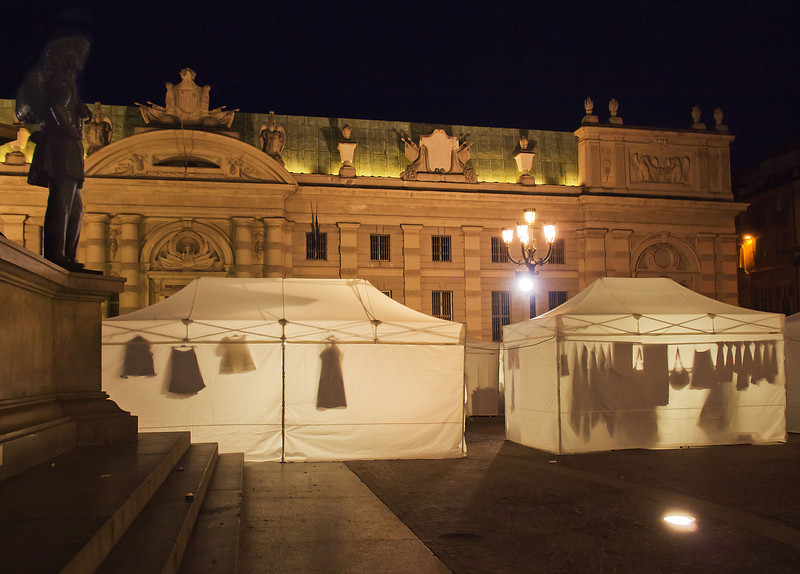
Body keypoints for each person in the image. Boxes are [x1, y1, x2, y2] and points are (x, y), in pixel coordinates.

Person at [18, 34, 93, 272]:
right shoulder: (58, 80)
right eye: (77, 55)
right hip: (62, 145)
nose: (80, 60)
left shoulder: (65, 80)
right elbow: (56, 107)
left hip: (69, 146)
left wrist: (80, 109)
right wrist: (70, 129)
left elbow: (65, 104)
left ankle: (66, 256)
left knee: (75, 206)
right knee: (61, 200)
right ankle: (55, 255)